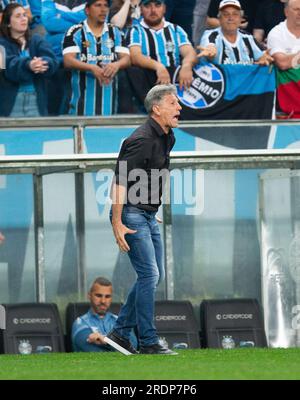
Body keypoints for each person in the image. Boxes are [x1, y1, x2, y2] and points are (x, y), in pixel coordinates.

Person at [105, 84, 181, 356]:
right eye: (173, 103)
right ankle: (148, 341)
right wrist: (118, 221)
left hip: (145, 213)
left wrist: (151, 208)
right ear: (156, 108)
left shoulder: (167, 136)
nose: (179, 108)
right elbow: (120, 180)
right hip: (130, 213)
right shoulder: (141, 139)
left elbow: (153, 175)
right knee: (150, 274)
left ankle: (120, 333)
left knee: (152, 275)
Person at [63, 0, 130, 116]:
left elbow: (127, 59)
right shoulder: (75, 32)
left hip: (109, 110)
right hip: (80, 110)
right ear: (87, 10)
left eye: (105, 6)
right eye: (98, 5)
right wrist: (91, 68)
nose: (103, 9)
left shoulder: (115, 32)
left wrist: (116, 64)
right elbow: (68, 60)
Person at [126, 0, 197, 109]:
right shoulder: (135, 30)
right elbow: (135, 57)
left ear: (164, 8)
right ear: (140, 9)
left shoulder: (176, 29)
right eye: (147, 5)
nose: (153, 10)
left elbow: (190, 52)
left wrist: (187, 66)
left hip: (175, 82)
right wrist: (159, 67)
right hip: (148, 83)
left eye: (157, 5)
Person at [0, 3, 58, 117]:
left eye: (25, 15)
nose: (23, 19)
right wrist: (28, 65)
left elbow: (52, 60)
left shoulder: (36, 40)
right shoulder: (1, 44)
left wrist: (42, 63)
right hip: (10, 104)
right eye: (18, 16)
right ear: (8, 23)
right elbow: (6, 66)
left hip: (36, 101)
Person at [198, 0, 273, 66]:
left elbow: (262, 56)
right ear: (219, 19)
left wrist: (264, 59)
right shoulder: (210, 35)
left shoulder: (248, 37)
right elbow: (209, 47)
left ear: (241, 19)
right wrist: (210, 53)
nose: (231, 18)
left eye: (235, 14)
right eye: (226, 14)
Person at [72, 276, 137, 352]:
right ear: (89, 295)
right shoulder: (80, 323)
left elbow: (134, 345)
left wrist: (106, 341)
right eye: (98, 296)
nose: (103, 301)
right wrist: (118, 343)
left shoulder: (121, 322)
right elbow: (91, 349)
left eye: (107, 296)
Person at [267, 0, 300, 70]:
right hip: (287, 79)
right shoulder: (276, 33)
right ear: (286, 12)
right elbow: (282, 63)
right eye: (296, 9)